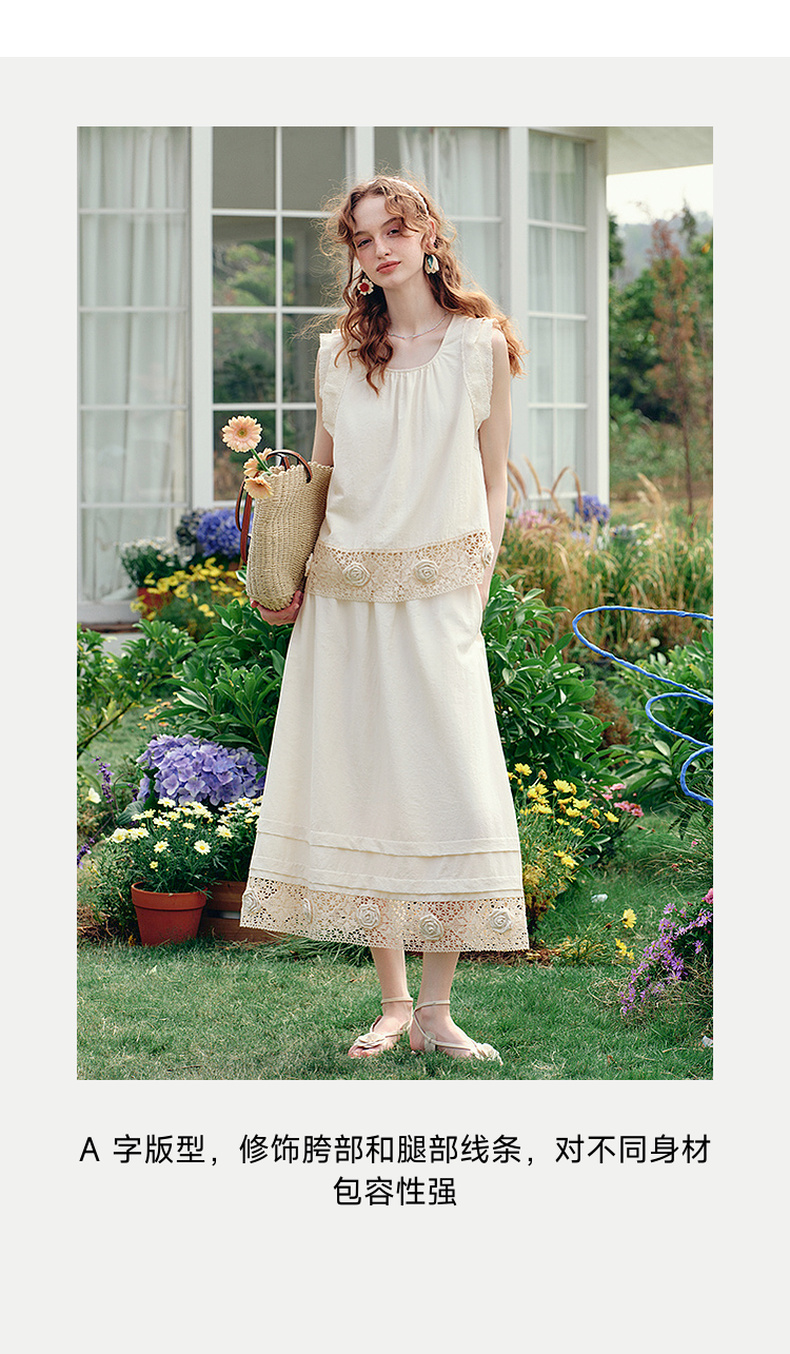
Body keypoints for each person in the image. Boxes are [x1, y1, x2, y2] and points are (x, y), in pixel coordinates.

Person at [239, 173, 529, 1063]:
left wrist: (475, 584)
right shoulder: (338, 355)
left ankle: (439, 1011)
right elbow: (318, 480)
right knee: (368, 788)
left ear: (427, 234)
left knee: (447, 785)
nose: (381, 249)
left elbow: (494, 479)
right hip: (344, 599)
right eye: (363, 238)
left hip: (440, 594)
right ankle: (396, 1005)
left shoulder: (481, 344)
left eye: (394, 230)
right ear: (355, 256)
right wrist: (282, 571)